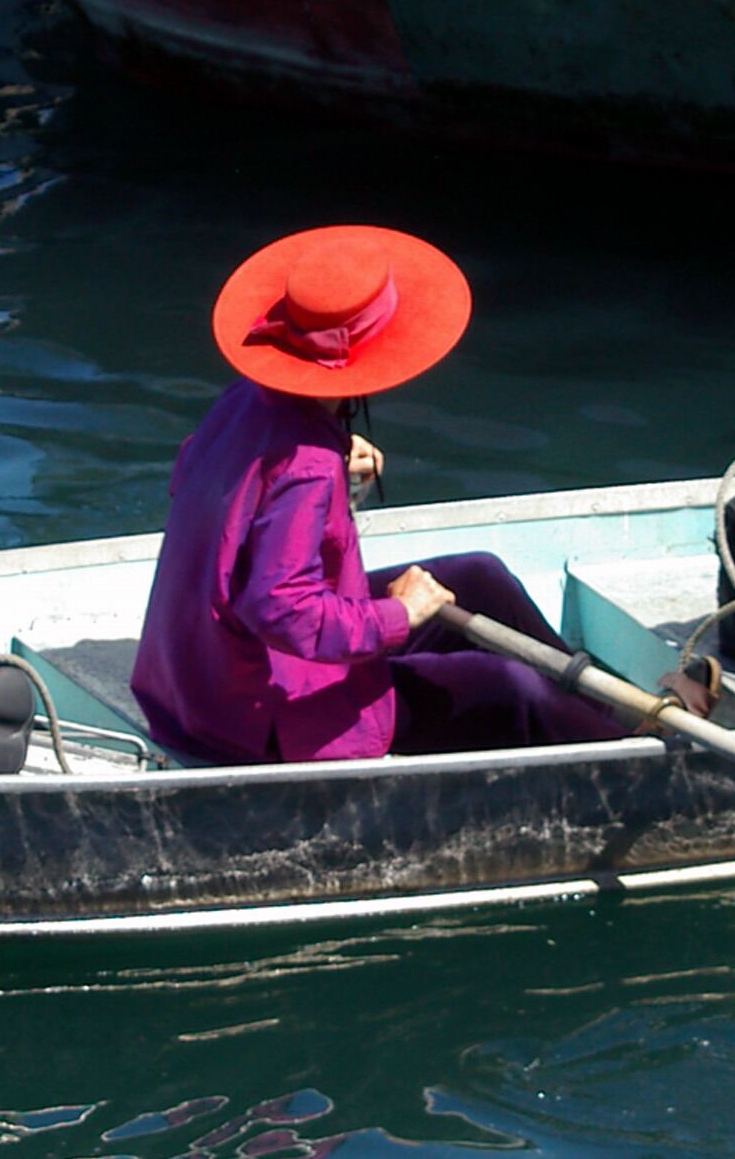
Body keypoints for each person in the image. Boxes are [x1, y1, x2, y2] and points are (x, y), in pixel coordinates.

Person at [131, 226, 632, 766]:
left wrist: (335, 458)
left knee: (477, 577)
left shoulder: (244, 403)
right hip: (258, 718)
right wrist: (399, 613)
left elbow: (218, 487)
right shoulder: (307, 465)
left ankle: (612, 713)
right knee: (511, 689)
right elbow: (282, 608)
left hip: (196, 677)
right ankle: (643, 758)